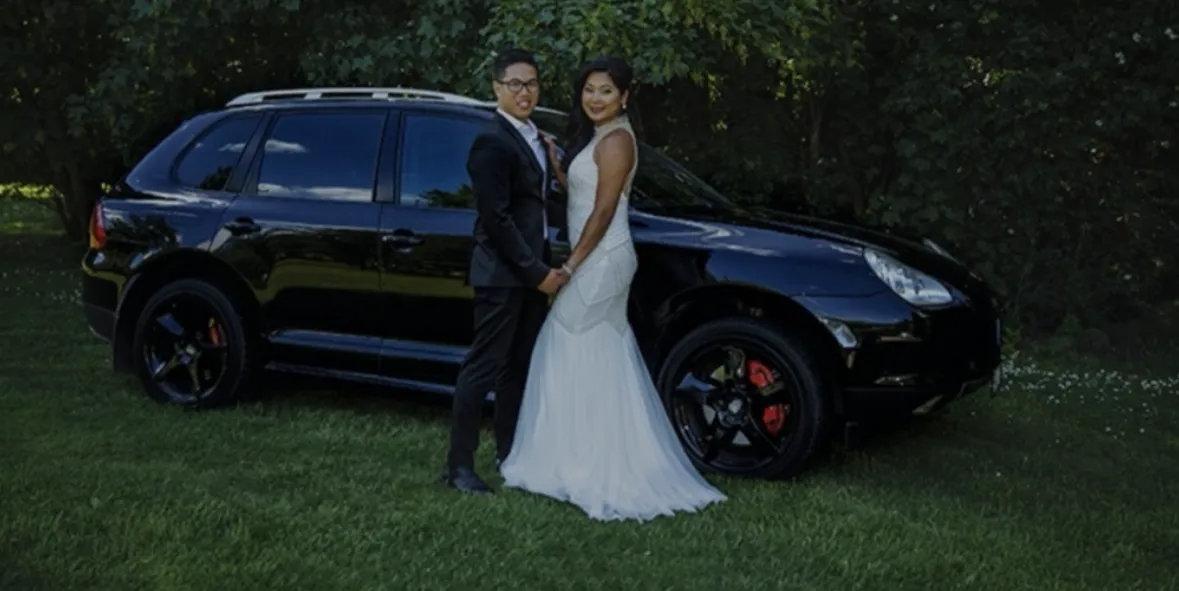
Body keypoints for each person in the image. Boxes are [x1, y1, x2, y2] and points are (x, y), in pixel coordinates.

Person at [498, 56, 728, 522]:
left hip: (601, 258)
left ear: (625, 96)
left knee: (567, 342)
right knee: (592, 349)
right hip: (595, 255)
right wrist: (555, 164)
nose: (595, 98)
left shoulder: (619, 140)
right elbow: (583, 193)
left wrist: (571, 264)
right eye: (588, 89)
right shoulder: (600, 139)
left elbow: (603, 212)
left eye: (605, 90)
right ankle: (581, 453)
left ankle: (588, 462)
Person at [442, 48, 569, 495]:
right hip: (502, 273)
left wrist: (556, 172)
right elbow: (496, 219)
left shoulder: (537, 138)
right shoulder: (491, 141)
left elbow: (537, 204)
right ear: (496, 88)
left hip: (531, 272)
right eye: (514, 83)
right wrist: (538, 272)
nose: (525, 91)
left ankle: (509, 453)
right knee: (483, 367)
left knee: (517, 368)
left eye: (532, 83)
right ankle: (458, 466)